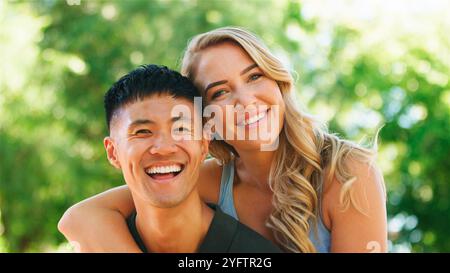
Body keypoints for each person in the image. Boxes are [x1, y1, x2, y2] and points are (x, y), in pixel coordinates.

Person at [58, 27, 387, 253]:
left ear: (278, 82)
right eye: (221, 92)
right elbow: (80, 218)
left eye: (254, 76)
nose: (246, 101)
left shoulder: (346, 173)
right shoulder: (207, 180)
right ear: (204, 120)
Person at [59, 64, 282, 253]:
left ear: (204, 143)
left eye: (182, 129)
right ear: (113, 152)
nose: (164, 148)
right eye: (143, 132)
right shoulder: (97, 242)